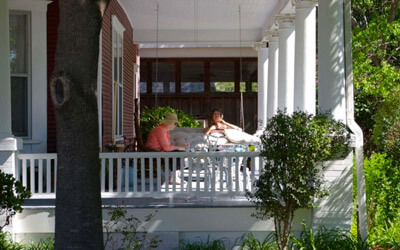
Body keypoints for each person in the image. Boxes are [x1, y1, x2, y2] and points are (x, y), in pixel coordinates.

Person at [145, 113, 186, 184]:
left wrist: (180, 147)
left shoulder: (163, 130)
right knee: (177, 153)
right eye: (175, 123)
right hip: (154, 153)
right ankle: (173, 178)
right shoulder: (160, 130)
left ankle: (174, 176)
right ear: (170, 123)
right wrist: (180, 147)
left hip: (158, 152)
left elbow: (167, 146)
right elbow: (167, 148)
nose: (176, 125)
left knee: (178, 153)